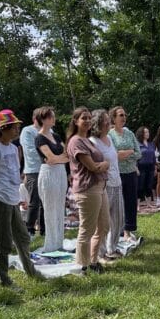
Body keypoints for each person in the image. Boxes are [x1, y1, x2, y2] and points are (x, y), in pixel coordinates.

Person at [0, 109, 42, 287]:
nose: (17, 131)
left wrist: (18, 197)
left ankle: (30, 270)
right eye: (14, 128)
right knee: (3, 241)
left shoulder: (14, 148)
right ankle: (4, 278)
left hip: (12, 199)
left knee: (22, 237)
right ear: (3, 129)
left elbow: (14, 175)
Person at [67, 107, 110, 274]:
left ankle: (93, 261)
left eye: (89, 118)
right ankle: (82, 266)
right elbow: (92, 166)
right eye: (83, 118)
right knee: (87, 228)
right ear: (75, 121)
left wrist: (103, 165)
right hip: (87, 189)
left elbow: (98, 164)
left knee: (104, 226)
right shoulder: (75, 141)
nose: (87, 121)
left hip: (100, 186)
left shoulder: (89, 141)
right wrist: (105, 164)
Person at [89, 109, 124, 263]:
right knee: (103, 222)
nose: (109, 121)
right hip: (104, 184)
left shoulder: (109, 138)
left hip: (117, 182)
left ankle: (112, 248)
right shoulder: (92, 142)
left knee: (118, 219)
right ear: (98, 124)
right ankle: (100, 253)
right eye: (105, 120)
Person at [34, 107, 69, 252]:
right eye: (51, 117)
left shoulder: (57, 136)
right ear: (43, 119)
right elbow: (51, 158)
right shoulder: (39, 138)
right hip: (48, 174)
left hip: (60, 173)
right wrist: (58, 159)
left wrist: (58, 159)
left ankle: (59, 243)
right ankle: (51, 244)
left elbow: (68, 155)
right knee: (50, 209)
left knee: (60, 208)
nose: (54, 119)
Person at [108, 106, 142, 244]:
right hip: (117, 173)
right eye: (120, 115)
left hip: (131, 172)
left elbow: (138, 153)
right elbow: (113, 155)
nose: (124, 117)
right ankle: (116, 229)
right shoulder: (110, 135)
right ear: (114, 118)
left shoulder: (130, 133)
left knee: (130, 202)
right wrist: (129, 152)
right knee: (117, 203)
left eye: (124, 115)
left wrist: (125, 153)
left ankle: (128, 230)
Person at [20, 109, 46, 237]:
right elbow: (30, 150)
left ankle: (43, 229)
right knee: (34, 201)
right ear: (36, 118)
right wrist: (48, 155)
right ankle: (29, 227)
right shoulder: (27, 131)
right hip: (33, 170)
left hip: (47, 169)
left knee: (45, 201)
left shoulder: (49, 131)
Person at [136, 126, 156, 203]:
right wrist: (136, 168)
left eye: (148, 132)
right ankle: (138, 204)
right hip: (141, 167)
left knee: (149, 185)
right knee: (140, 186)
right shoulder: (137, 144)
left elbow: (153, 157)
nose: (148, 134)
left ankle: (148, 203)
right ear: (141, 133)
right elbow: (135, 158)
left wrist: (155, 168)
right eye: (146, 132)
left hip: (150, 167)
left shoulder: (151, 144)